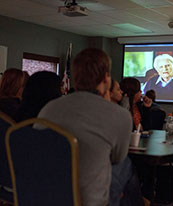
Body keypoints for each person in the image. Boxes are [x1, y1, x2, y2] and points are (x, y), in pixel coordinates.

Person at [37, 48, 132, 206]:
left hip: (43, 193)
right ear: (106, 79)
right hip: (87, 200)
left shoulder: (49, 108)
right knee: (126, 165)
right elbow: (117, 158)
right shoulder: (119, 115)